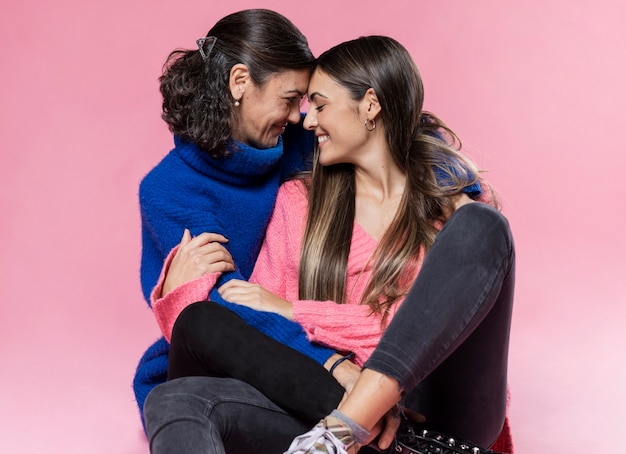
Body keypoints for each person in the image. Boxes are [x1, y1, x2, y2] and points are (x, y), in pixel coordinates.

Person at [143, 36, 514, 454]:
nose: (306, 120)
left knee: (482, 224)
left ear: (370, 105)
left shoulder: (452, 211)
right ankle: (341, 435)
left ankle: (347, 429)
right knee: (173, 395)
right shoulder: (297, 203)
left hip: (434, 420)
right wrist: (182, 295)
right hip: (328, 416)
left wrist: (295, 311)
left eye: (319, 104)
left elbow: (422, 336)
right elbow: (258, 333)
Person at [131, 8, 327, 429]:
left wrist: (456, 184)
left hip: (298, 350)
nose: (298, 115)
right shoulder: (170, 189)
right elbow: (225, 311)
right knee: (209, 318)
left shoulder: (295, 143)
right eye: (290, 98)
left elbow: (387, 135)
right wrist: (329, 362)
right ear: (240, 82)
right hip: (216, 361)